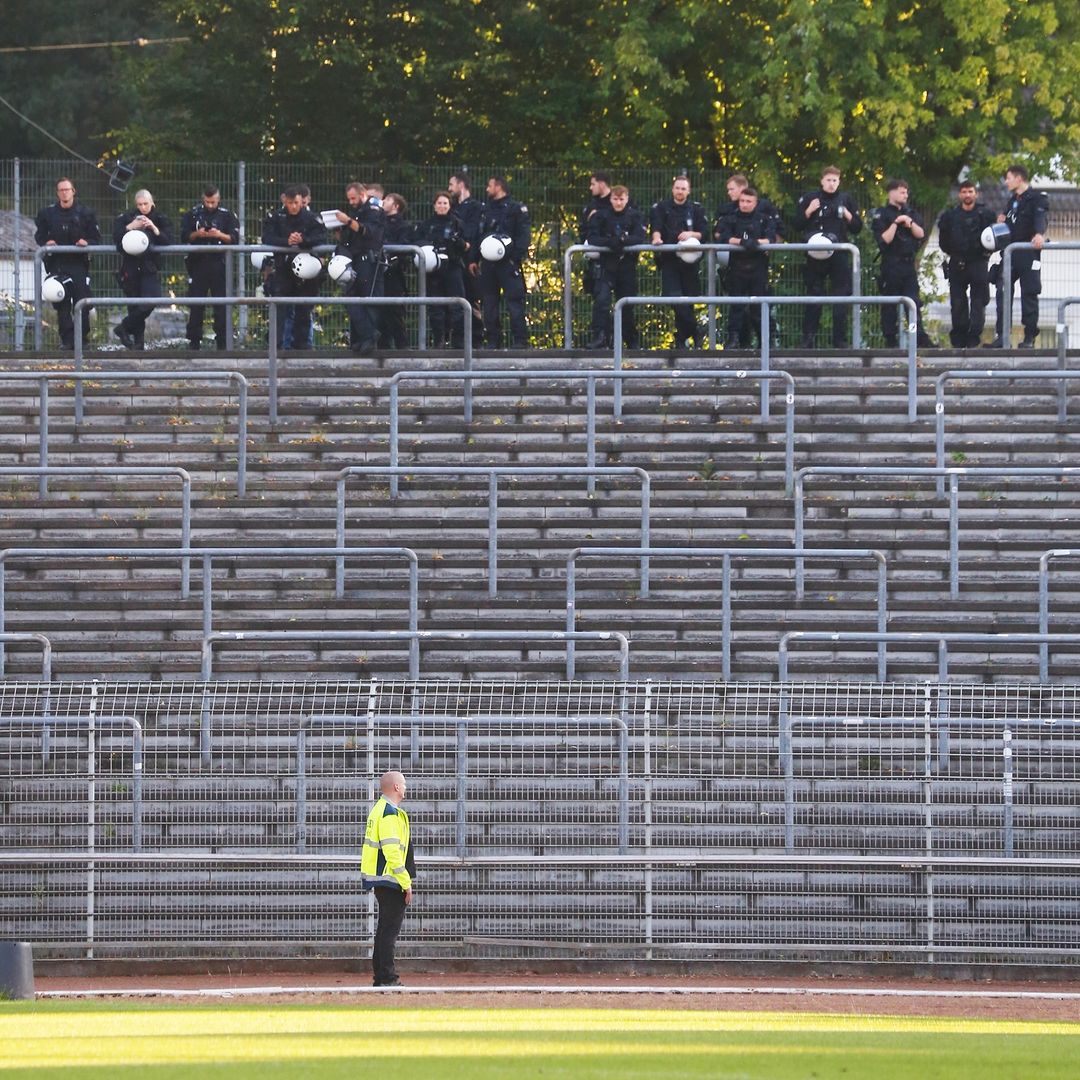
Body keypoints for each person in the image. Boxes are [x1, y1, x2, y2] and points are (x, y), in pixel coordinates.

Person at [796, 166, 862, 348]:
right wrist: (808, 211)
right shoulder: (811, 198)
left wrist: (848, 215)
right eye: (828, 180)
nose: (831, 184)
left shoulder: (846, 199)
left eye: (835, 180)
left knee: (840, 298)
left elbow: (858, 227)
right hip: (814, 254)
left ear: (839, 181)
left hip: (839, 254)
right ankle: (808, 339)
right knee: (813, 296)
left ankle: (839, 340)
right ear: (822, 181)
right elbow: (796, 224)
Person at [361, 770, 415, 988]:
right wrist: (406, 882)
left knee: (384, 930)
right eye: (403, 783)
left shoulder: (381, 810)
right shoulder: (389, 813)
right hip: (390, 879)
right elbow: (393, 852)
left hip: (382, 879)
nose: (405, 787)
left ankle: (381, 977)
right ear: (395, 787)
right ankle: (388, 977)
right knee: (388, 932)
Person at [34, 177, 101, 350]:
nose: (64, 193)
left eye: (67, 189)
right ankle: (67, 341)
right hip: (57, 264)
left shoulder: (86, 213)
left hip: (78, 264)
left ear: (73, 191)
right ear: (57, 193)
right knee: (62, 304)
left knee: (83, 303)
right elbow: (39, 236)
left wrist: (86, 243)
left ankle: (81, 340)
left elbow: (96, 238)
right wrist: (47, 242)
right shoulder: (47, 214)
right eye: (61, 190)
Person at [260, 184, 327, 349]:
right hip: (284, 269)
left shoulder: (311, 217)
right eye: (290, 203)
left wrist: (303, 240)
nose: (294, 206)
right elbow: (267, 237)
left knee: (304, 308)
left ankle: (302, 347)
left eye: (297, 202)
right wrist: (286, 242)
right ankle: (277, 346)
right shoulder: (277, 217)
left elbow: (321, 237)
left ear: (301, 201)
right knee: (280, 307)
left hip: (307, 271)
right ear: (285, 202)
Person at [991, 164, 1050, 348]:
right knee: (1002, 290)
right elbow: (1010, 223)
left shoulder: (1037, 198)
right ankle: (1002, 336)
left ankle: (1029, 337)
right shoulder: (1012, 201)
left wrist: (1039, 234)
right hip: (1010, 254)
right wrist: (1002, 220)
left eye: (1008, 178)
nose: (1006, 182)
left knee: (1029, 293)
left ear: (1019, 178)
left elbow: (1040, 218)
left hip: (1028, 253)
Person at [870, 178, 934, 348]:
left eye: (906, 192)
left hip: (908, 265)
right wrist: (896, 223)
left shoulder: (911, 213)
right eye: (901, 191)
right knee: (890, 304)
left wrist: (909, 223)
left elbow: (920, 234)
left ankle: (920, 337)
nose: (905, 195)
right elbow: (884, 240)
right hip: (891, 265)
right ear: (891, 193)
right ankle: (890, 339)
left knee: (913, 302)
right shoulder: (881, 214)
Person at [649, 175, 708, 349]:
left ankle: (681, 338)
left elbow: (704, 233)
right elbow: (656, 228)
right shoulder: (661, 207)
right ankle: (695, 331)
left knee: (687, 300)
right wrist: (657, 239)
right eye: (677, 188)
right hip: (669, 260)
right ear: (672, 189)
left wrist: (691, 235)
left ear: (688, 191)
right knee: (674, 297)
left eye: (683, 188)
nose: (680, 191)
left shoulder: (696, 209)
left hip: (690, 262)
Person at [937, 181, 997, 348]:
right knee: (957, 303)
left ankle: (973, 337)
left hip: (979, 262)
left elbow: (995, 238)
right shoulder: (950, 216)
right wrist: (955, 253)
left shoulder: (986, 214)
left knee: (979, 302)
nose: (967, 195)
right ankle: (959, 338)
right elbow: (944, 242)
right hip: (957, 263)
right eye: (964, 192)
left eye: (970, 191)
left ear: (976, 194)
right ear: (959, 195)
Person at [715, 186, 777, 348]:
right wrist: (742, 242)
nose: (744, 204)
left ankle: (766, 341)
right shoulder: (731, 219)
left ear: (755, 203)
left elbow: (770, 239)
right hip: (737, 267)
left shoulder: (764, 219)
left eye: (748, 201)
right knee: (736, 306)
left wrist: (755, 243)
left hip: (758, 268)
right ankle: (733, 340)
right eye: (742, 201)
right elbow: (724, 237)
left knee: (759, 306)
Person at [585, 185, 646, 348]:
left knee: (626, 304)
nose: (618, 203)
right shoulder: (601, 216)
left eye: (621, 199)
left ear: (627, 199)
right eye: (615, 199)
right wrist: (610, 243)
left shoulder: (635, 216)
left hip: (626, 266)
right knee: (602, 301)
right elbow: (592, 238)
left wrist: (623, 241)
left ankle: (631, 340)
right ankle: (600, 337)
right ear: (610, 198)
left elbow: (640, 237)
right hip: (606, 265)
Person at [474, 175, 531, 349]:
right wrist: (474, 259)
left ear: (498, 187)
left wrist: (514, 257)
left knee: (514, 302)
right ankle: (493, 340)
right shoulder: (485, 210)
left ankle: (520, 340)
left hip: (508, 263)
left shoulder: (516, 209)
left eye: (489, 185)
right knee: (489, 303)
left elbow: (524, 236)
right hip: (488, 264)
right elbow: (479, 236)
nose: (487, 189)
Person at [180, 185, 240, 350]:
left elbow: (234, 239)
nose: (210, 205)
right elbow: (184, 235)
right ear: (203, 199)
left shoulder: (227, 216)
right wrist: (198, 234)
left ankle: (223, 342)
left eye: (213, 202)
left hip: (220, 265)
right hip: (198, 263)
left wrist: (218, 234)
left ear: (218, 199)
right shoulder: (193, 214)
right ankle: (194, 341)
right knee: (196, 304)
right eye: (207, 201)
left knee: (222, 305)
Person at [112, 189, 173, 349]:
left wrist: (153, 228)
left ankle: (123, 327)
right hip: (130, 267)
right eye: (139, 204)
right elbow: (117, 239)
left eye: (145, 204)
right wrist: (130, 227)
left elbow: (168, 240)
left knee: (150, 300)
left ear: (151, 202)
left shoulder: (159, 218)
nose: (143, 207)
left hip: (149, 267)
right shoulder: (127, 218)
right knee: (134, 305)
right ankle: (137, 346)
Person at [333, 182, 385, 353]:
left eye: (353, 198)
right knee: (351, 298)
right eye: (349, 199)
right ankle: (363, 337)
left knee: (368, 300)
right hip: (355, 259)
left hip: (369, 261)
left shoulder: (373, 209)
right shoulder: (358, 211)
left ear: (363, 194)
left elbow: (368, 232)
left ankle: (369, 339)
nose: (351, 202)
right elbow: (352, 237)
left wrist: (347, 221)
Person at [417, 192, 468, 347]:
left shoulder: (457, 223)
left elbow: (466, 245)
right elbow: (418, 241)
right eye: (439, 203)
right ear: (434, 205)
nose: (442, 206)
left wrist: (457, 242)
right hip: (434, 271)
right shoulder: (427, 224)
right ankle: (439, 340)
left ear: (450, 205)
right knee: (435, 307)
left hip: (453, 267)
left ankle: (458, 342)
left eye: (445, 203)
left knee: (457, 305)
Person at [449, 172, 485, 345]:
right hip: (455, 260)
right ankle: (457, 340)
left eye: (452, 184)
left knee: (472, 299)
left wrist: (473, 259)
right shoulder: (453, 208)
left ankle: (476, 340)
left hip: (469, 260)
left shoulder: (476, 207)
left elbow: (476, 234)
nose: (449, 189)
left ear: (461, 185)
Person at [580, 171, 613, 346]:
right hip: (598, 262)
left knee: (624, 301)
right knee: (600, 300)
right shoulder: (590, 207)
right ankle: (601, 337)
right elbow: (584, 232)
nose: (590, 187)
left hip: (618, 260)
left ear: (602, 184)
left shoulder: (616, 203)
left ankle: (627, 339)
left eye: (593, 184)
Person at [379, 193, 413, 349]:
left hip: (394, 273)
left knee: (394, 311)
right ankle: (383, 346)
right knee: (379, 311)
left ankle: (402, 347)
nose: (383, 202)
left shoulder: (404, 226)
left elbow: (403, 247)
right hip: (378, 273)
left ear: (396, 206)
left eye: (387, 200)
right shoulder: (379, 222)